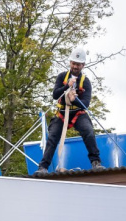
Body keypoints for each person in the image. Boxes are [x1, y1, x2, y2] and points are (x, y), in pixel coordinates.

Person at [36, 47, 105, 175]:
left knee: (88, 132)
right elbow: (55, 95)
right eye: (73, 63)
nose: (75, 66)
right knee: (52, 137)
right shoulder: (62, 77)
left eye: (78, 64)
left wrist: (74, 99)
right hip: (62, 112)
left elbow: (85, 105)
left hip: (78, 113)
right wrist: (67, 86)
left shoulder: (85, 82)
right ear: (70, 63)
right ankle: (43, 167)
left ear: (83, 65)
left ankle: (96, 162)